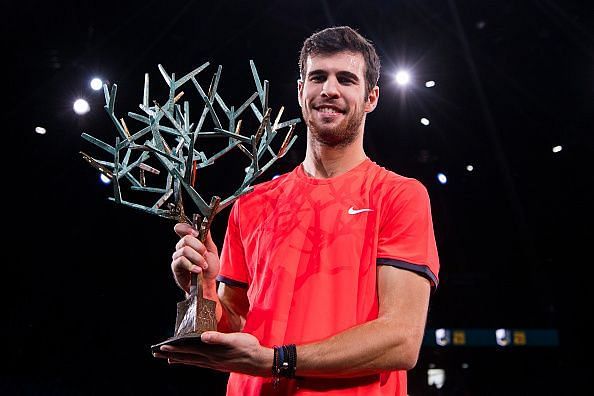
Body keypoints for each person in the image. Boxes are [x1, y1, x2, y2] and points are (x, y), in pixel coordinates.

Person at [154, 25, 440, 396]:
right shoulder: (251, 202)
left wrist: (278, 361)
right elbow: (234, 327)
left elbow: (401, 340)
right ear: (301, 90)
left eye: (346, 80)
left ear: (371, 97)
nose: (329, 90)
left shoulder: (399, 196)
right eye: (318, 77)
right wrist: (203, 286)